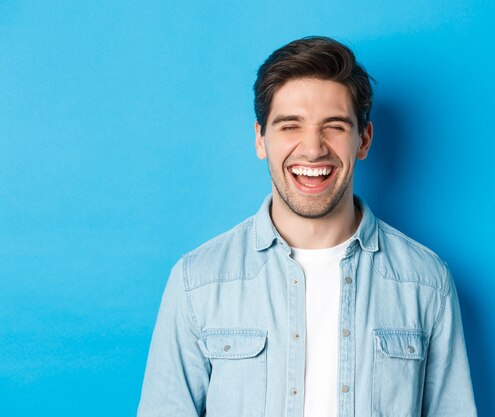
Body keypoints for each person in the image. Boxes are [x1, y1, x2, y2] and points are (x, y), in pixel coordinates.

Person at [138, 36, 477, 417]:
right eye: (289, 126)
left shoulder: (425, 282)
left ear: (363, 140)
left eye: (333, 126)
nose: (313, 149)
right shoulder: (197, 282)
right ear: (260, 139)